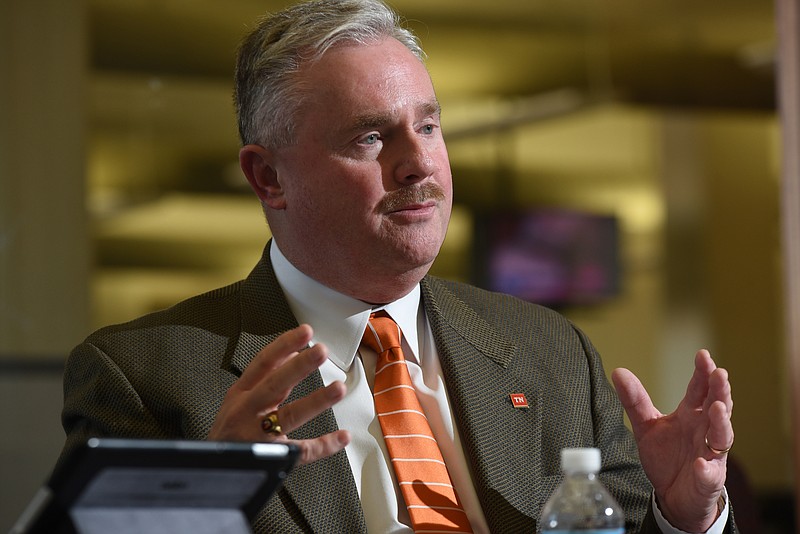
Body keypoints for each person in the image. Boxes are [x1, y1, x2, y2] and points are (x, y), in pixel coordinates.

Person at [58, 0, 736, 532]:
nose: (419, 163)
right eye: (372, 136)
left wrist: (684, 517)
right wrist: (207, 498)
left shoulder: (552, 352)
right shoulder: (143, 376)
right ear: (269, 178)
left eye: (431, 126)